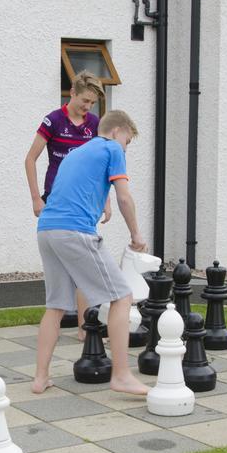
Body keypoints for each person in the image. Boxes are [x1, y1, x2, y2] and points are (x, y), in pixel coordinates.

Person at [33, 110, 149, 396]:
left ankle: (40, 378)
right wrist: (136, 235)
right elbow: (124, 196)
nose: (125, 148)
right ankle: (121, 375)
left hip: (47, 229)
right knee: (122, 296)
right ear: (118, 130)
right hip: (75, 231)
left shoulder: (78, 152)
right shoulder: (111, 148)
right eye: (128, 141)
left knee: (56, 306)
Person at [23, 70, 111, 336]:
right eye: (84, 100)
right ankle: (58, 319)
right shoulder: (53, 121)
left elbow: (102, 165)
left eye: (92, 103)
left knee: (84, 266)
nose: (87, 107)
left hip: (85, 205)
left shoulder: (94, 124)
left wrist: (106, 201)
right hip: (57, 202)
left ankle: (87, 330)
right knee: (64, 268)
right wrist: (36, 198)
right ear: (71, 93)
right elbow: (30, 159)